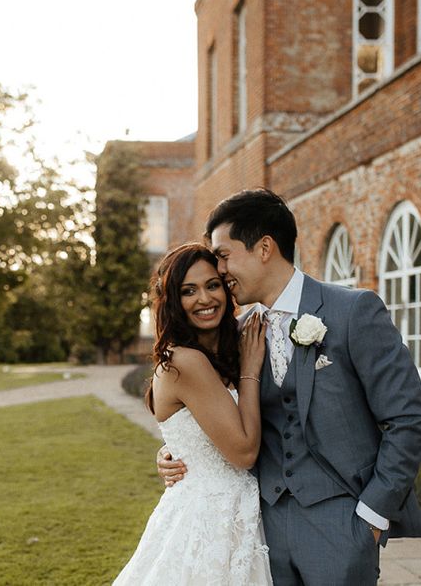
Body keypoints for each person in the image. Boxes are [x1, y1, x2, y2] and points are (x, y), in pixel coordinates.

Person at [159, 189, 421, 585]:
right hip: (262, 530)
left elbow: (407, 418)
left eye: (223, 254)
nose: (219, 270)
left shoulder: (352, 311)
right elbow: (206, 407)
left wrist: (371, 517)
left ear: (265, 247)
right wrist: (175, 450)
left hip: (342, 526)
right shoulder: (236, 334)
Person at [113, 242, 274, 585]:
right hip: (208, 523)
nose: (204, 299)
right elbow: (244, 452)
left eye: (212, 285)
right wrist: (251, 370)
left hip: (237, 514)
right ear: (173, 301)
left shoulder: (223, 348)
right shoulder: (186, 361)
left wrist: (174, 451)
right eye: (189, 291)